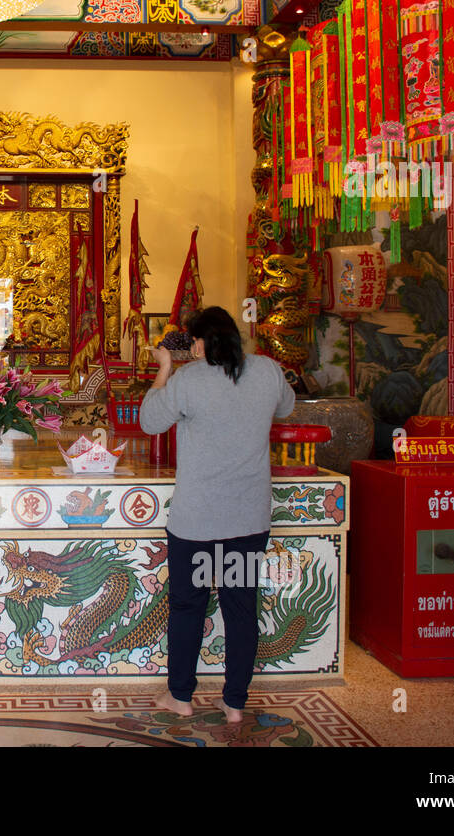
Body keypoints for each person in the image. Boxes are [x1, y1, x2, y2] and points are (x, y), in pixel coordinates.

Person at [139, 305, 295, 723]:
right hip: (247, 519)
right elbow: (285, 408)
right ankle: (235, 704)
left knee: (188, 607)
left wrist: (166, 367)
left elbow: (150, 421)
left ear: (200, 342)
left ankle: (181, 697)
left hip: (196, 521)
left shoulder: (189, 379)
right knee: (241, 609)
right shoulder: (267, 371)